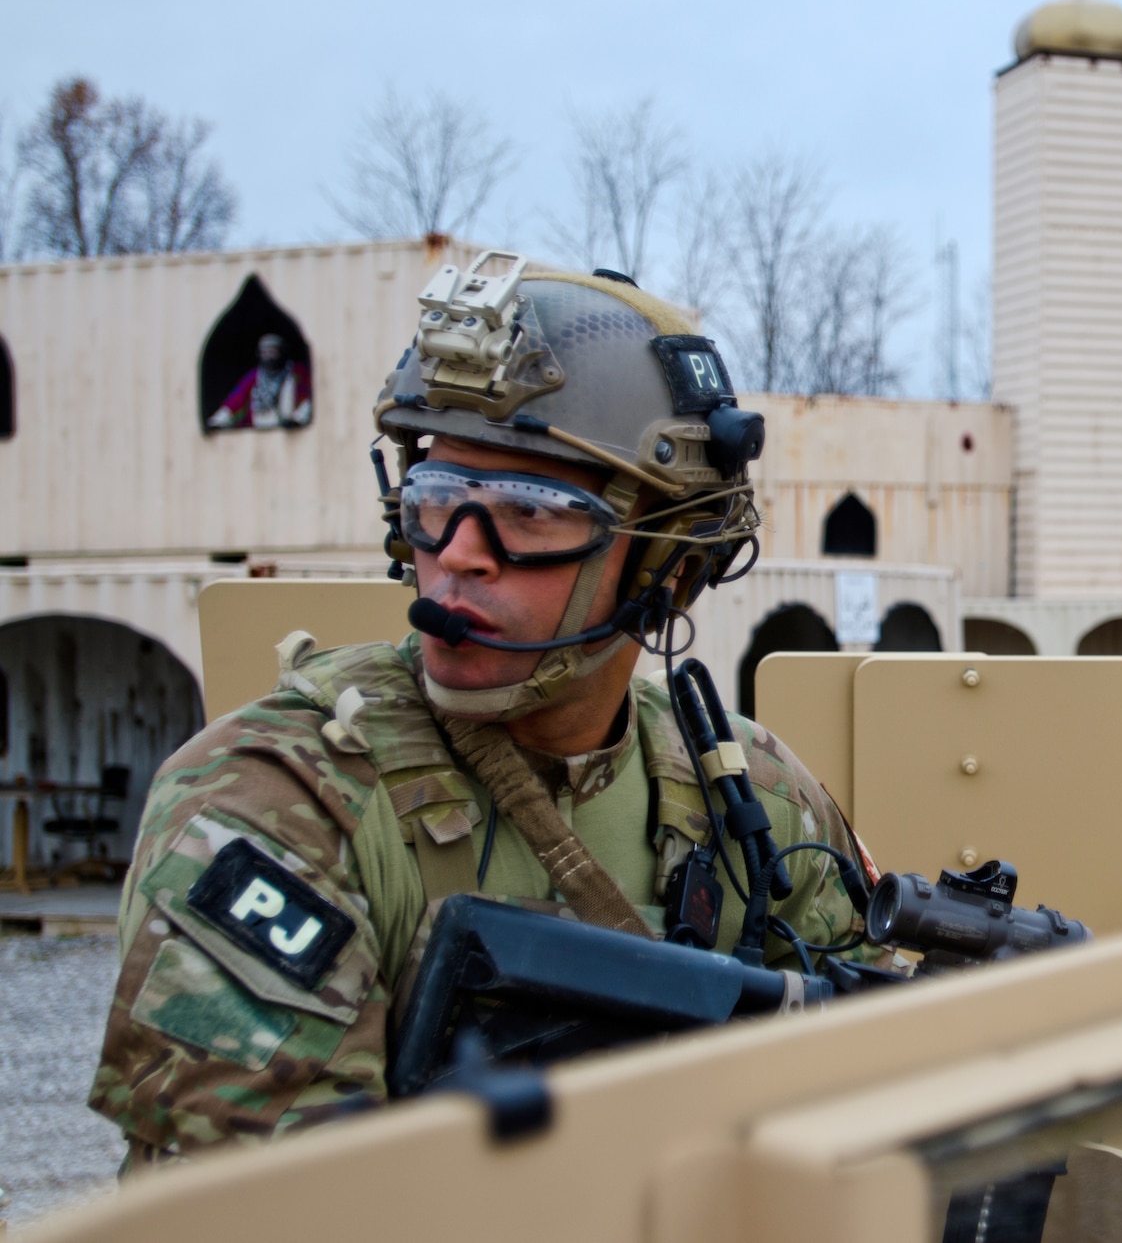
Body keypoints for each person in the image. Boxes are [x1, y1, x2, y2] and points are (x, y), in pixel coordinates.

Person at [93, 259, 888, 1162]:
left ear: (667, 559)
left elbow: (877, 1106)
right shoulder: (272, 802)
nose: (459, 555)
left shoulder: (754, 795)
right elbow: (267, 1211)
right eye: (435, 500)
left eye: (530, 511)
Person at [207, 333, 313, 429]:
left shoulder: (297, 372)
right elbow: (235, 402)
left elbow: (308, 400)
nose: (268, 357)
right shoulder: (254, 377)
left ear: (282, 353)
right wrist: (216, 422)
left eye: (272, 352)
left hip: (289, 431)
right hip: (260, 432)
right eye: (264, 353)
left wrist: (297, 420)